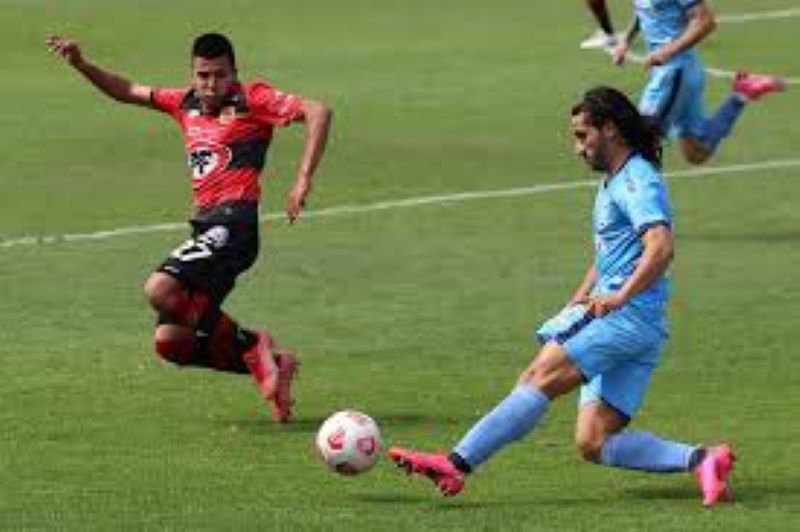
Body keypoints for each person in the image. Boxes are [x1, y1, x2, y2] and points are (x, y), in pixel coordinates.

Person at [389, 87, 735, 507]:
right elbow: (611, 255)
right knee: (594, 440)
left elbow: (660, 247)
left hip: (622, 317)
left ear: (610, 129)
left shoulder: (636, 180)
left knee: (537, 378)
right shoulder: (618, 179)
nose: (577, 148)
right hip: (642, 325)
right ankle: (702, 459)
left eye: (582, 135)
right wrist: (578, 299)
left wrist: (619, 297)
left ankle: (456, 464)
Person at [45, 33, 332, 423]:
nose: (211, 84)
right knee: (172, 344)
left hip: (234, 225)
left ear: (234, 73)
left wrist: (303, 178)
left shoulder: (253, 99)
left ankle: (254, 345)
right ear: (192, 75)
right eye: (203, 76)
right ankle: (275, 363)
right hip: (206, 231)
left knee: (159, 289)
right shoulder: (183, 103)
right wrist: (81, 64)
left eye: (220, 75)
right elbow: (126, 90)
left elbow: (318, 111)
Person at [611, 0, 786, 165]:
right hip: (678, 70)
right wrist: (626, 40)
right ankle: (741, 95)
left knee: (638, 143)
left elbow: (705, 21)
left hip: (674, 73)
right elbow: (645, 7)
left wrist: (667, 52)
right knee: (696, 152)